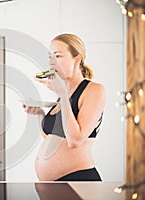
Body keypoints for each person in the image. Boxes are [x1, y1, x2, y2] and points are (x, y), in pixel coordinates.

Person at [23, 33, 106, 181]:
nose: (51, 62)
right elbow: (54, 138)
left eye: (58, 56)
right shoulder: (64, 95)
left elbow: (75, 140)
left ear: (77, 60)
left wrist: (61, 91)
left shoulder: (94, 90)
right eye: (50, 56)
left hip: (79, 180)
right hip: (53, 187)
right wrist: (40, 114)